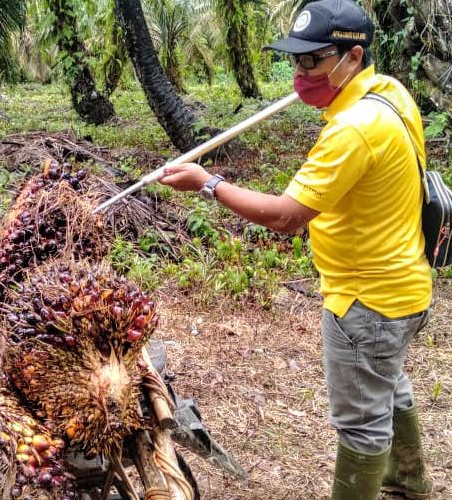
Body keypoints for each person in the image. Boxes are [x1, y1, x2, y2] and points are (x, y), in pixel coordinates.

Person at [158, 0, 434, 498]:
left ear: (353, 57)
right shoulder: (388, 94)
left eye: (312, 60)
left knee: (362, 424)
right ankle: (408, 485)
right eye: (295, 60)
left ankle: (392, 486)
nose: (300, 74)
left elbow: (286, 216)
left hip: (366, 301)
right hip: (404, 287)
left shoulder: (354, 129)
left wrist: (208, 183)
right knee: (387, 384)